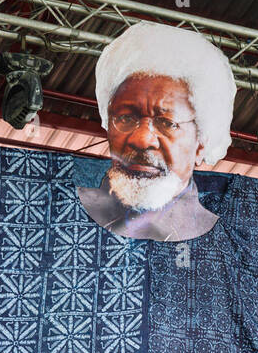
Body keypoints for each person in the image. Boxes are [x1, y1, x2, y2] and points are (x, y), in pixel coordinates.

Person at [79, 22, 235, 241]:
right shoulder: (67, 213)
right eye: (125, 118)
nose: (142, 140)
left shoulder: (222, 242)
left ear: (201, 143)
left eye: (167, 123)